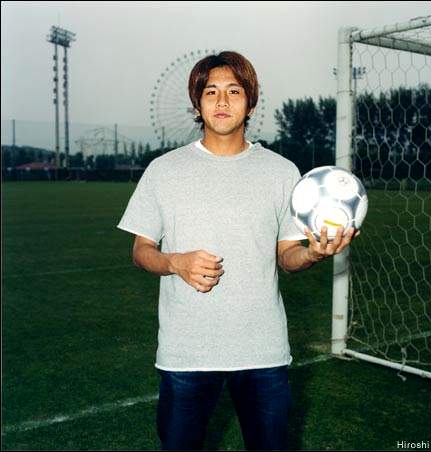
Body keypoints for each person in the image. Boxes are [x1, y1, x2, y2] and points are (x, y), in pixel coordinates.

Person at [117, 50, 357, 451]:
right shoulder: (164, 170)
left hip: (262, 351)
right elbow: (141, 250)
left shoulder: (281, 171)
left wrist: (314, 253)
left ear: (251, 102)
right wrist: (175, 262)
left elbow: (287, 255)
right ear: (197, 104)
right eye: (211, 92)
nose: (222, 101)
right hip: (186, 352)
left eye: (234, 91)